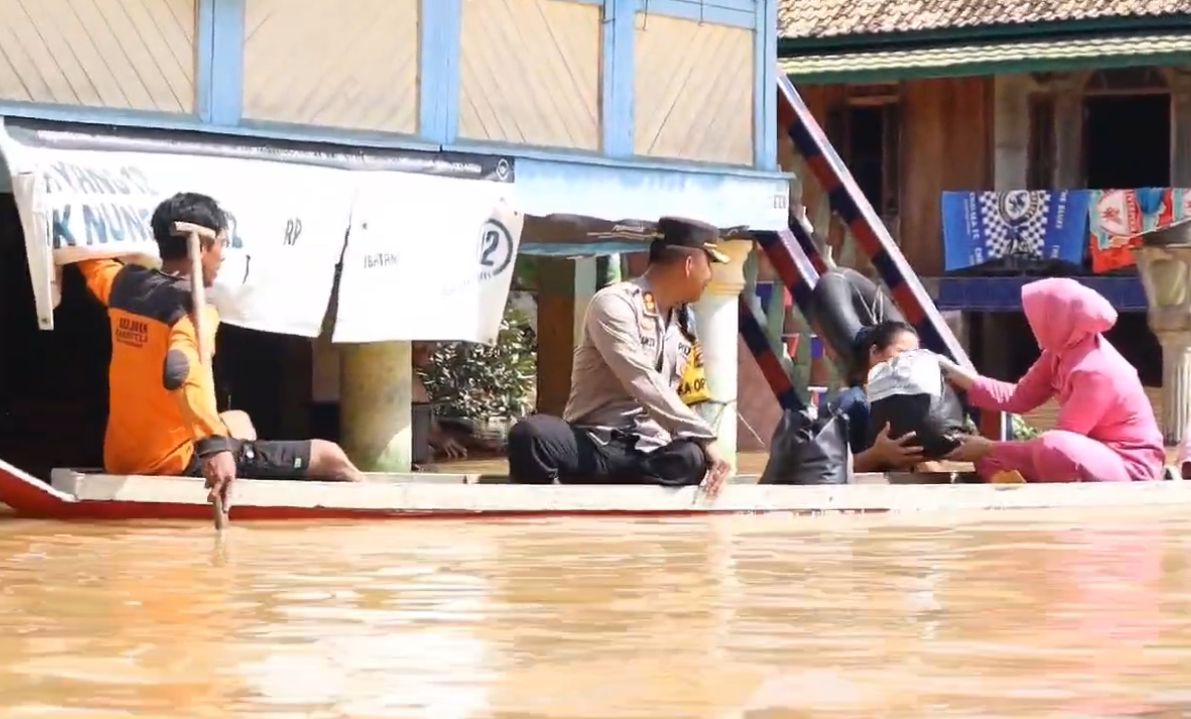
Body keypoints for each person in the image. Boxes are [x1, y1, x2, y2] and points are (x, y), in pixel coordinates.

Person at [76, 192, 362, 503]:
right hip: (174, 462)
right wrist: (213, 447)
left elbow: (91, 260)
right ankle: (375, 519)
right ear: (201, 247)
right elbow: (181, 372)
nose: (223, 256)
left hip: (121, 458)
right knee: (330, 456)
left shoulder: (122, 285)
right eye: (222, 244)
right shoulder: (194, 311)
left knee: (240, 420)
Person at [507, 216, 732, 493]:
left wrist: (699, 443)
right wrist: (705, 436)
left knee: (690, 458)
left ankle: (638, 512)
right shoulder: (615, 304)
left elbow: (684, 395)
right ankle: (554, 511)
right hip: (594, 447)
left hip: (648, 455)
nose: (710, 275)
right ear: (690, 265)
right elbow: (640, 377)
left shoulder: (684, 322)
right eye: (709, 264)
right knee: (530, 435)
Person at [940, 277, 1164, 482]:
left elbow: (1066, 438)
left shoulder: (1096, 371)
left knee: (1052, 447)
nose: (1031, 323)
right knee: (991, 460)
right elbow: (1017, 397)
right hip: (1087, 453)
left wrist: (989, 447)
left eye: (1038, 315)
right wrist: (950, 370)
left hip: (1129, 466)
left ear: (1057, 318)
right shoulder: (1058, 353)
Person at [810, 269, 924, 471]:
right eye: (901, 352)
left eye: (913, 355)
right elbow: (819, 469)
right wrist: (877, 455)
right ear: (875, 352)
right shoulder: (849, 405)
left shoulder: (911, 404)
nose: (908, 361)